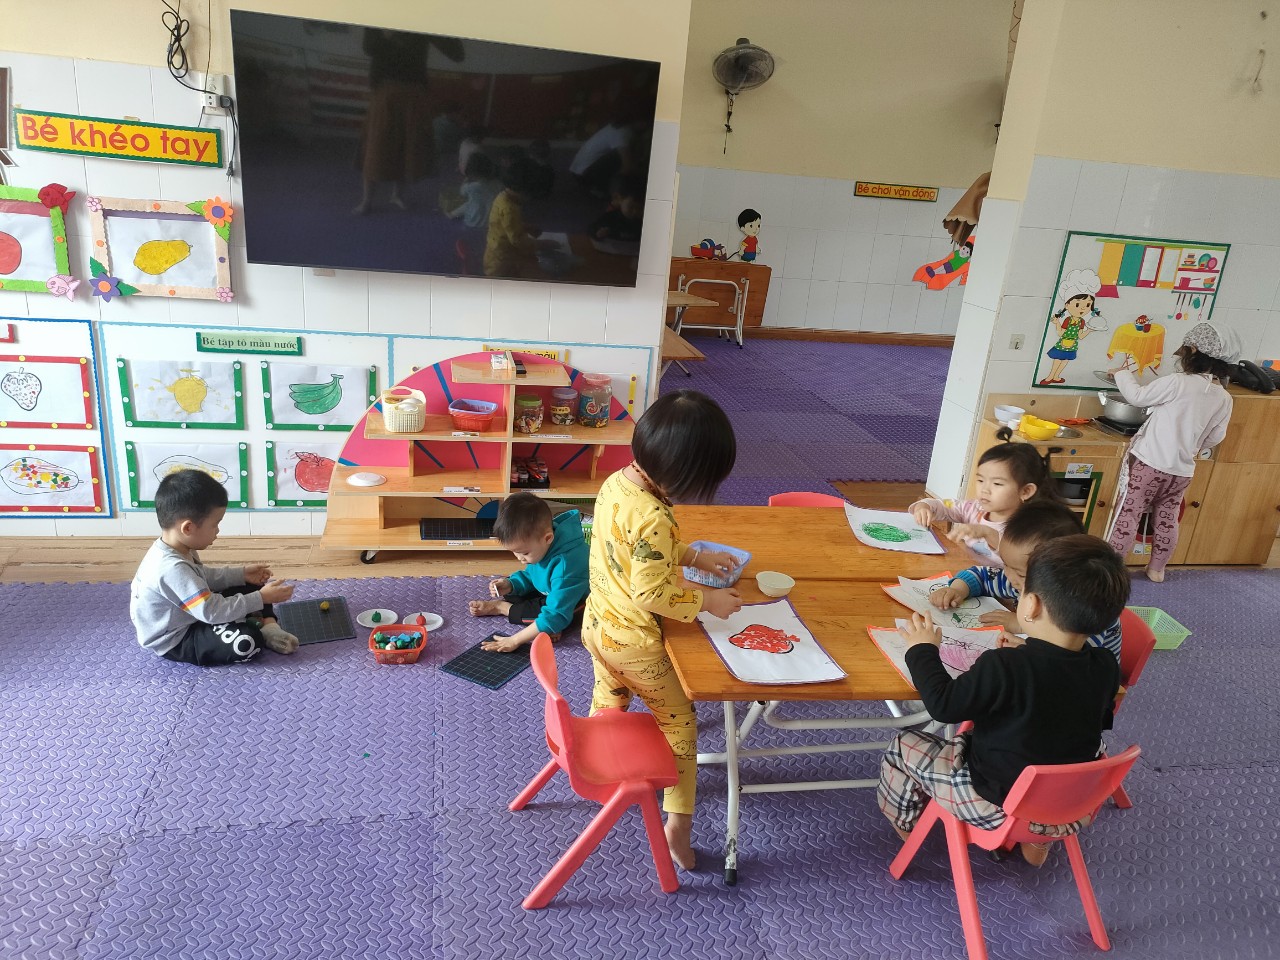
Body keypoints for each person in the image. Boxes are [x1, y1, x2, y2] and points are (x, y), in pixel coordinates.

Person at [878, 535, 1127, 867]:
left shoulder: (1005, 667)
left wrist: (922, 649)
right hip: (1070, 806)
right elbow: (1080, 707)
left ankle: (906, 826)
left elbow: (943, 705)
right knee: (1048, 739)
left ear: (1031, 605)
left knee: (902, 746)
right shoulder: (1106, 666)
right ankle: (1037, 842)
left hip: (995, 803)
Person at [583, 390, 742, 870]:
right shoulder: (655, 515)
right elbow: (649, 592)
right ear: (684, 474)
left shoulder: (618, 482)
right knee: (680, 723)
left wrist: (693, 556)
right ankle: (678, 825)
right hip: (636, 645)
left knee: (610, 695)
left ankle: (601, 765)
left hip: (599, 626)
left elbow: (630, 548)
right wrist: (707, 600)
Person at [1105, 321, 1238, 582]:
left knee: (1129, 514)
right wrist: (1193, 445)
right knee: (1167, 519)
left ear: (1192, 351)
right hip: (1181, 472)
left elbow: (1137, 397)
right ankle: (1157, 569)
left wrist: (1122, 374)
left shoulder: (1178, 382)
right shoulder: (1223, 397)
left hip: (1149, 465)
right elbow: (1216, 437)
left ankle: (1112, 568)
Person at [130, 470, 298, 665]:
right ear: (188, 528)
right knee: (247, 641)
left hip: (195, 612)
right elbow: (210, 612)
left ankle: (269, 627)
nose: (218, 531)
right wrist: (261, 598)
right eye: (215, 524)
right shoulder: (171, 568)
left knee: (254, 586)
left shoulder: (178, 547)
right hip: (178, 638)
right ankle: (257, 627)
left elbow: (202, 577)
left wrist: (241, 574)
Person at [928, 500, 1122, 663]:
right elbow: (983, 576)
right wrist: (958, 589)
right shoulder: (1020, 580)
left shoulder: (1084, 607)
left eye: (1020, 574)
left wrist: (1021, 625)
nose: (1008, 575)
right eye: (1005, 564)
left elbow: (1071, 661)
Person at [909, 428, 1060, 561]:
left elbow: (1020, 556)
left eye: (997, 484)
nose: (985, 489)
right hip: (966, 574)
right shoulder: (974, 508)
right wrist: (924, 506)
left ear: (1025, 491)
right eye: (981, 480)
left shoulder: (1029, 527)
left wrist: (987, 533)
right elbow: (945, 506)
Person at [467, 493, 589, 653]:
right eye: (515, 552)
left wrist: (514, 640)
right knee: (511, 592)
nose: (520, 558)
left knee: (550, 617)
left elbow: (556, 613)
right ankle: (541, 621)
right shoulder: (541, 545)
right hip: (551, 590)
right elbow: (533, 575)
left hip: (576, 602)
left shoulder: (566, 566)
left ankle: (502, 608)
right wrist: (511, 584)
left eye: (524, 553)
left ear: (548, 538)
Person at [1039, 269, 1104, 385]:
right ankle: (1050, 377)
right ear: (1067, 305)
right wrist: (1057, 323)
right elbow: (1060, 333)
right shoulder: (1067, 320)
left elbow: (1080, 336)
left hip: (1072, 345)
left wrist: (1090, 330)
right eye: (1078, 304)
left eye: (1088, 305)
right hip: (1062, 344)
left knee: (1065, 361)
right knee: (1057, 360)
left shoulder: (1082, 322)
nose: (1083, 308)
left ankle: (1056, 377)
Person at [483, 159, 538, 278]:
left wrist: (526, 227)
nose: (529, 199)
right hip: (502, 257)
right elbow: (517, 240)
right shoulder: (509, 209)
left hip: (496, 248)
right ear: (523, 192)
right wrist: (541, 244)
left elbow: (507, 224)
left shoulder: (503, 195)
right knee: (500, 281)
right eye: (529, 195)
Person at [569, 119, 638, 197]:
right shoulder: (622, 133)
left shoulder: (612, 128)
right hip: (586, 175)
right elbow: (627, 167)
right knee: (619, 156)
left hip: (578, 172)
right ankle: (601, 188)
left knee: (622, 154)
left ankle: (601, 187)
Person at [443, 152, 502, 228]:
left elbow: (462, 192)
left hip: (474, 221)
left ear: (472, 173)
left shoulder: (471, 187)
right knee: (478, 201)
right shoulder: (497, 183)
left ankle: (451, 214)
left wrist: (465, 181)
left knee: (469, 204)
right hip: (492, 220)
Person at [588, 174, 645, 243]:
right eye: (631, 207)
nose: (635, 211)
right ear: (620, 200)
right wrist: (599, 232)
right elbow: (592, 229)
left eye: (641, 208)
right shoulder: (611, 217)